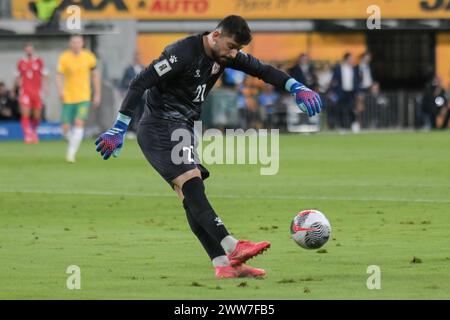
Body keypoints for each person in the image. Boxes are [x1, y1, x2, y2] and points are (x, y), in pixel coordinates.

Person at [95, 16, 322, 279]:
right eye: (231, 46)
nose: (234, 53)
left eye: (237, 49)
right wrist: (119, 127)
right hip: (159, 127)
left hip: (183, 128)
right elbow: (140, 82)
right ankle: (232, 246)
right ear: (216, 35)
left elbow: (263, 70)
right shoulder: (182, 53)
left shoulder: (225, 54)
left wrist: (296, 86)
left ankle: (224, 265)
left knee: (190, 197)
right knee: (192, 183)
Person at [56, 35, 101, 163]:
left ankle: (71, 154)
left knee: (79, 122)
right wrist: (60, 90)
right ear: (70, 44)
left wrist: (97, 94)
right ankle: (72, 141)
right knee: (65, 128)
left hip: (83, 97)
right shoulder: (64, 57)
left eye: (78, 42)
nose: (76, 44)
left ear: (82, 43)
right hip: (68, 97)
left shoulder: (89, 57)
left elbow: (95, 76)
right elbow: (58, 75)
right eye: (74, 42)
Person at [15, 43, 49, 143]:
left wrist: (46, 87)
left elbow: (45, 74)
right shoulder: (21, 62)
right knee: (25, 113)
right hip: (25, 92)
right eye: (27, 49)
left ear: (33, 50)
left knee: (37, 115)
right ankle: (27, 135)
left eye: (30, 49)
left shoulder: (39, 61)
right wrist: (17, 87)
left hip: (37, 92)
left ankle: (34, 131)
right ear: (25, 50)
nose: (29, 51)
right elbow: (17, 76)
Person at [120, 52, 146, 134]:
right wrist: (122, 90)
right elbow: (123, 81)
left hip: (142, 95)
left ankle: (139, 129)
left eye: (139, 57)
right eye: (136, 57)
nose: (137, 59)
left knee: (142, 112)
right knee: (131, 112)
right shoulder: (129, 69)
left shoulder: (144, 68)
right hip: (132, 95)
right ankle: (130, 129)